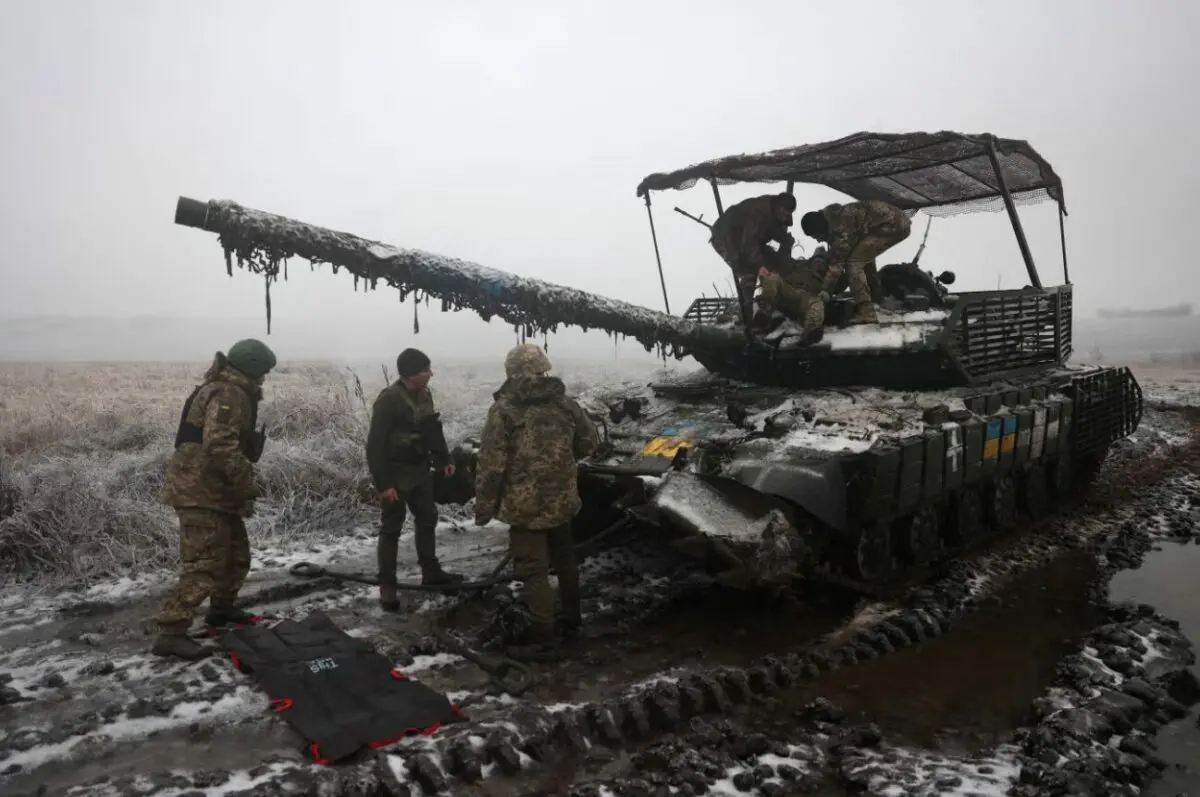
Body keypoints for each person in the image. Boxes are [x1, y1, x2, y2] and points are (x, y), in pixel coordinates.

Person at [153, 338, 277, 660]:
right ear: (251, 369)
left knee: (236, 556)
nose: (264, 378)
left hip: (217, 490)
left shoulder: (229, 389)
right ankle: (171, 632)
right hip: (201, 491)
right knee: (204, 565)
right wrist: (245, 480)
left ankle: (222, 611)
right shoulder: (228, 393)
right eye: (263, 372)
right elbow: (219, 443)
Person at [473, 343, 599, 654]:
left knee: (533, 569)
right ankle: (571, 618)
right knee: (565, 559)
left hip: (524, 507)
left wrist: (484, 508)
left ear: (511, 372)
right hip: (562, 500)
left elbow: (491, 466)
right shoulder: (565, 404)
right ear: (544, 368)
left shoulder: (504, 410)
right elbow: (589, 443)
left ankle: (543, 635)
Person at [366, 348, 463, 611]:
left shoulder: (424, 394)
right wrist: (384, 484)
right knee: (391, 528)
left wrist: (444, 458)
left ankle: (431, 573)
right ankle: (387, 586)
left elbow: (432, 428)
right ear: (411, 374)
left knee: (428, 519)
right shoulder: (388, 401)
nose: (431, 374)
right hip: (396, 475)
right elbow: (375, 445)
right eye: (426, 370)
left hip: (420, 471)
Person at [799, 199, 912, 325]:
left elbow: (837, 265)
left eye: (816, 236)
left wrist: (825, 290)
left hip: (893, 224)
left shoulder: (841, 228)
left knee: (853, 263)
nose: (818, 241)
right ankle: (876, 298)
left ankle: (867, 312)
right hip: (889, 222)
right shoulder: (833, 217)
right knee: (862, 257)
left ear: (820, 229)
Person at [709, 193, 798, 328]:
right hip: (727, 238)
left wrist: (786, 242)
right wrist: (759, 266)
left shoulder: (781, 215)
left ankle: (770, 304)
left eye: (788, 213)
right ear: (777, 207)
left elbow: (776, 233)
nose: (785, 216)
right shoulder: (758, 213)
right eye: (783, 212)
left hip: (751, 239)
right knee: (748, 271)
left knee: (772, 262)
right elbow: (749, 244)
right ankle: (745, 317)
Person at [756, 259, 828, 345]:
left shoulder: (819, 272)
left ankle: (810, 332)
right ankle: (764, 315)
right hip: (786, 292)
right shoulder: (784, 264)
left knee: (816, 303)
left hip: (806, 297)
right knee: (772, 277)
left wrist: (825, 291)